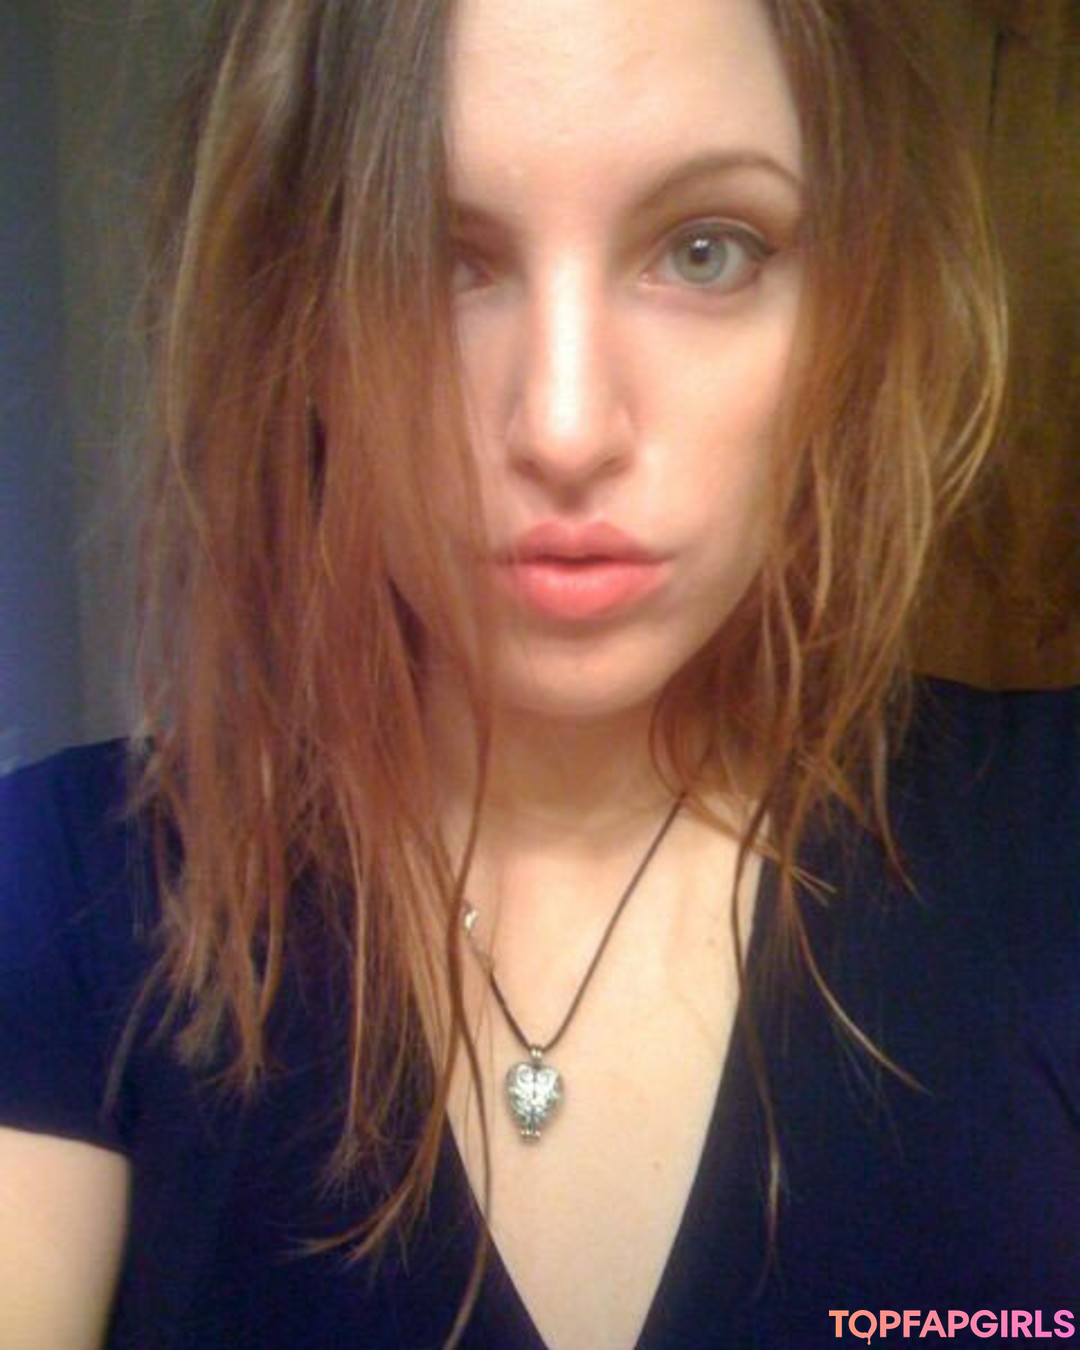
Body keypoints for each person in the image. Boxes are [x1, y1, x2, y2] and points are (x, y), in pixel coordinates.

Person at [1, 0, 1077, 1347]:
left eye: (707, 249)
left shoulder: (1052, 837)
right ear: (297, 329)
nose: (564, 427)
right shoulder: (58, 891)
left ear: (853, 316)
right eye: (428, 261)